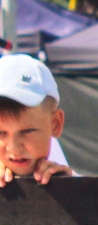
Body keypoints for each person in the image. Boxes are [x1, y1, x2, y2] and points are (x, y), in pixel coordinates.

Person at [0, 53, 72, 186]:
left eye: (27, 131)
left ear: (56, 124)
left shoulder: (68, 179)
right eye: (1, 132)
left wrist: (70, 188)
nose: (14, 148)